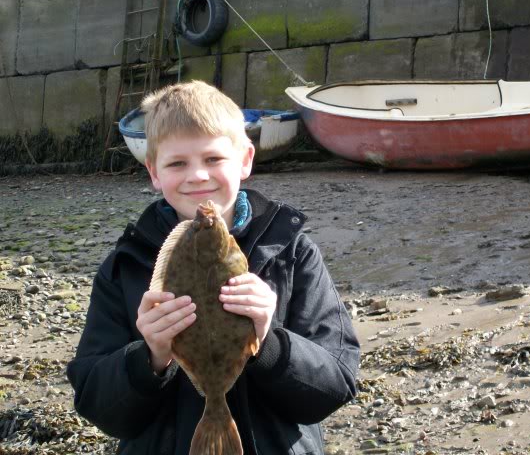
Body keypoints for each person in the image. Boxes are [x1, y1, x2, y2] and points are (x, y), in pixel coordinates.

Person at [67, 81, 360, 455]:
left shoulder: (291, 254)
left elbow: (335, 385)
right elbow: (96, 404)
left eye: (213, 159)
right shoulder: (125, 266)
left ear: (245, 161)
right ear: (154, 173)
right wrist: (150, 358)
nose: (198, 177)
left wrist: (269, 340)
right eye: (177, 164)